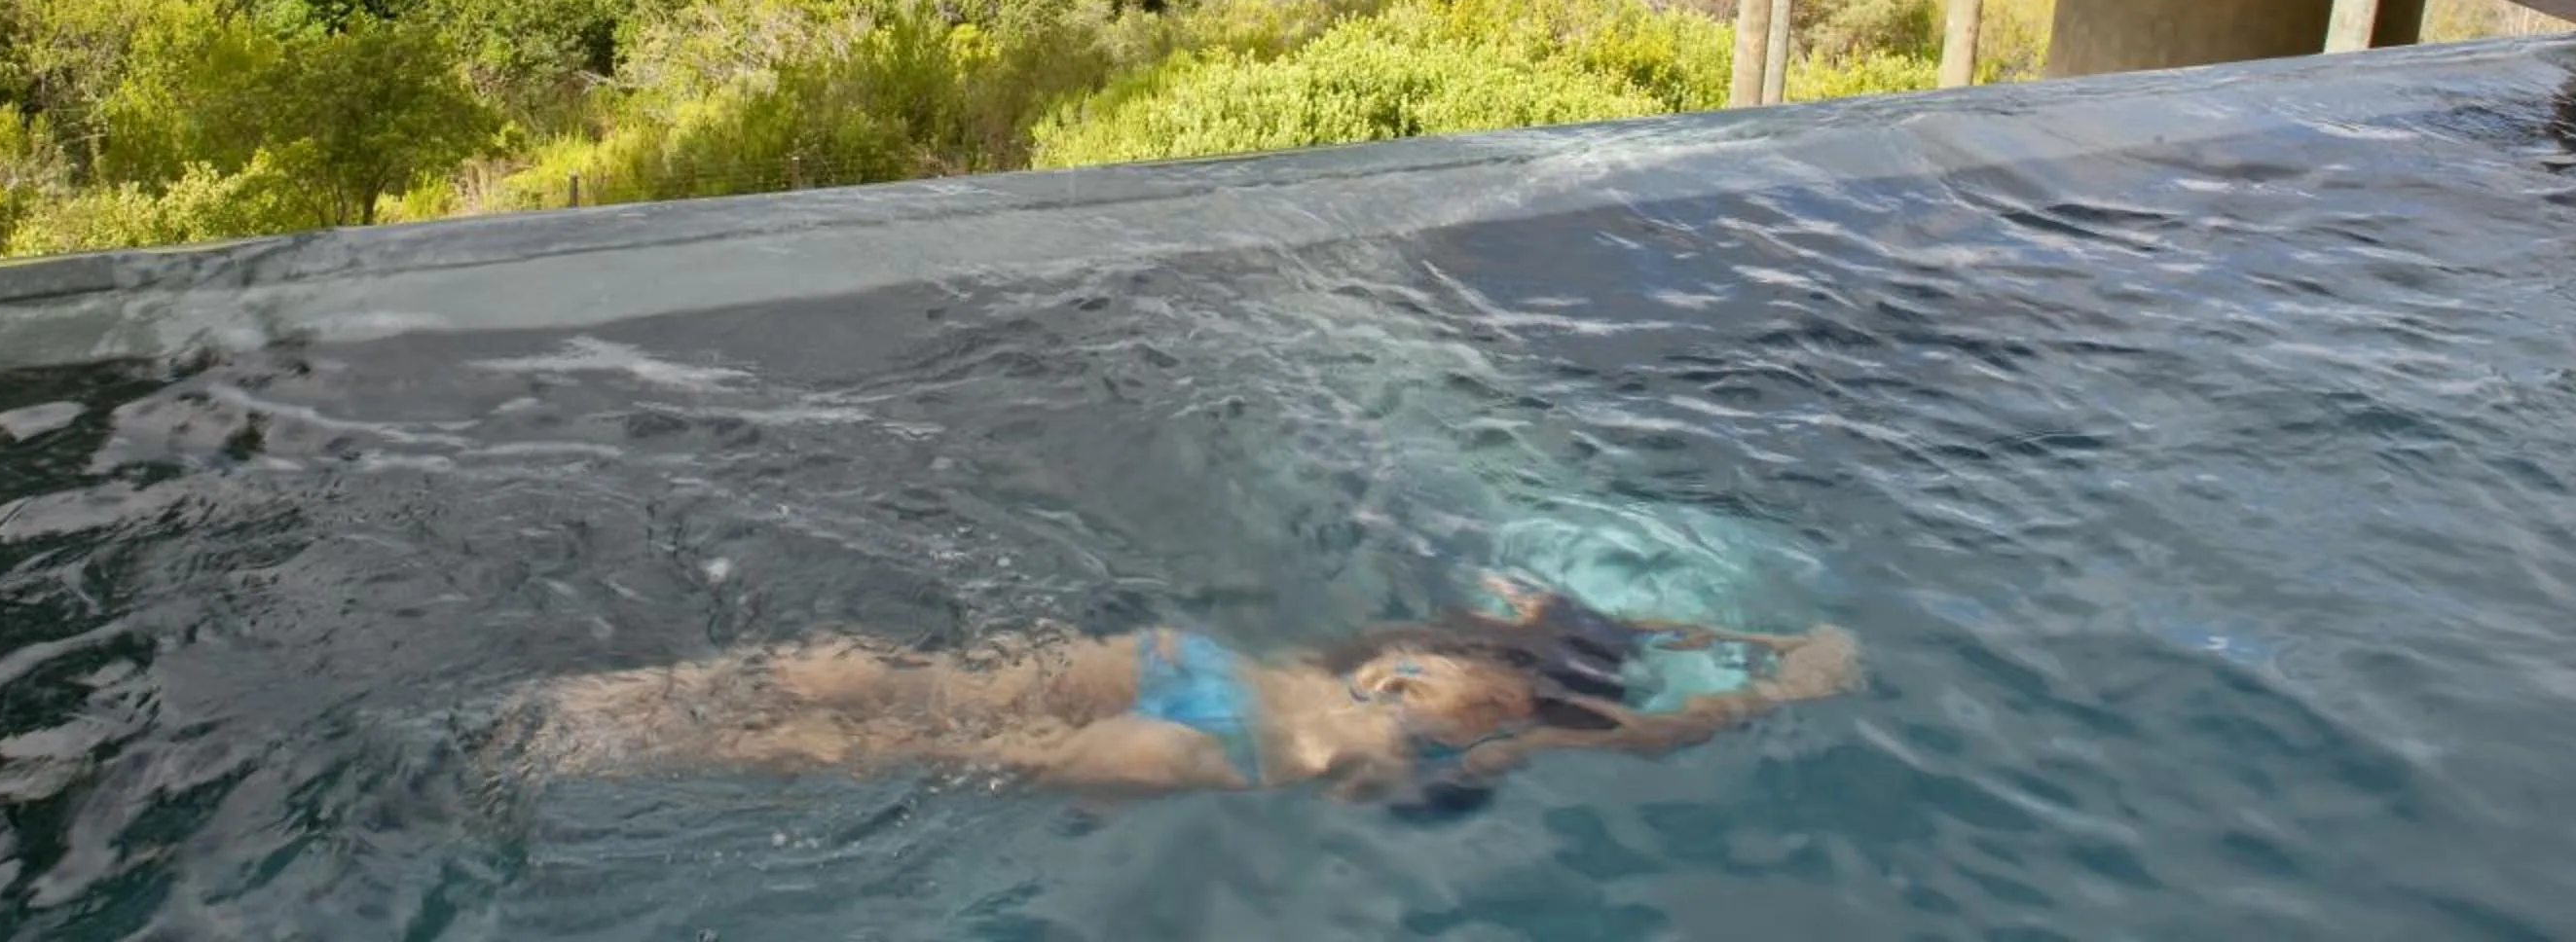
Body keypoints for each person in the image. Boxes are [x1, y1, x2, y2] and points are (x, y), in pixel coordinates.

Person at [511, 577, 1860, 809]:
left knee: (915, 691)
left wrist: (1759, 641)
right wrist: (1795, 674)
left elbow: (1634, 646)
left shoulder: (1446, 638)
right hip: (1213, 749)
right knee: (914, 742)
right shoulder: (1524, 722)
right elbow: (1669, 725)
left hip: (1191, 675)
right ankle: (606, 751)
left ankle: (607, 710)